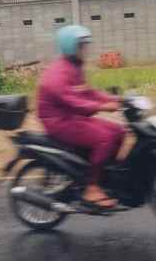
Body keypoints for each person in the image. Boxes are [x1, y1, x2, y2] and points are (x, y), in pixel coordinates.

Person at [37, 25, 125, 210]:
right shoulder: (58, 73)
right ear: (70, 46)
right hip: (59, 122)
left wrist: (115, 99)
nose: (85, 49)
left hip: (71, 117)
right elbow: (74, 102)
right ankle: (91, 187)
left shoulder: (74, 66)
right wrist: (102, 107)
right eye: (81, 46)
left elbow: (88, 92)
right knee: (105, 138)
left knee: (118, 131)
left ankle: (104, 176)